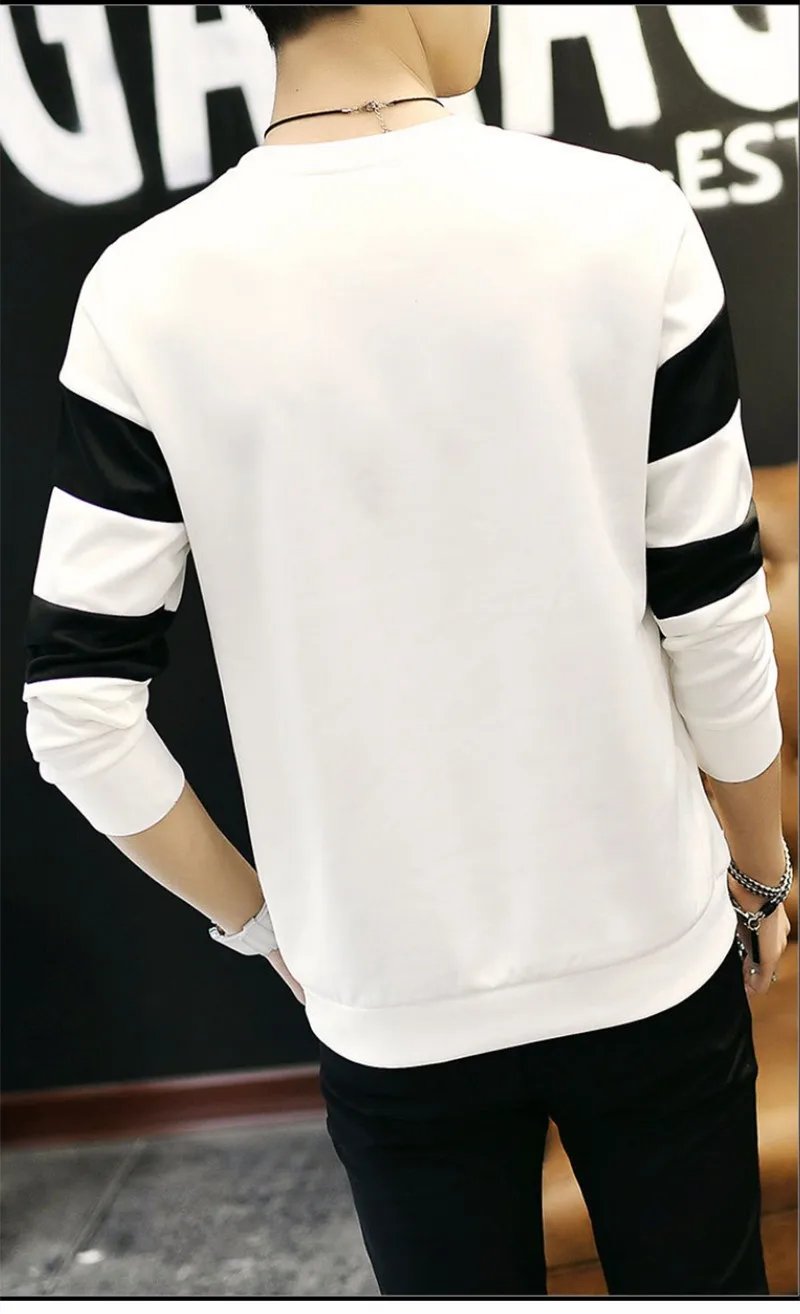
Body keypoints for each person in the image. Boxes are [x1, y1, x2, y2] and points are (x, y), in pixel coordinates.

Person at [21, 4, 793, 1298]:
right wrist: (762, 876)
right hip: (650, 950)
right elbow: (712, 615)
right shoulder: (626, 221)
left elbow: (77, 712)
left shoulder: (145, 293)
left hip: (387, 994)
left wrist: (266, 924)